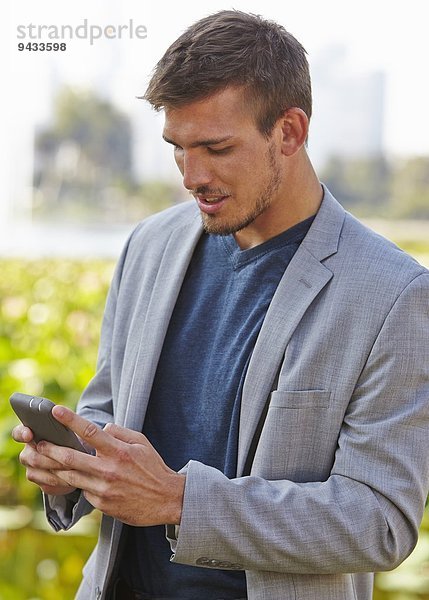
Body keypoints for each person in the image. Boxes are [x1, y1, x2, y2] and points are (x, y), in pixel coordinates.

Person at [12, 9, 429, 600]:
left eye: (215, 147)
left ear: (289, 131)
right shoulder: (148, 245)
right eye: (177, 147)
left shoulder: (394, 294)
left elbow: (379, 521)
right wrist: (75, 466)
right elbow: (106, 408)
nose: (191, 175)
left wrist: (179, 501)